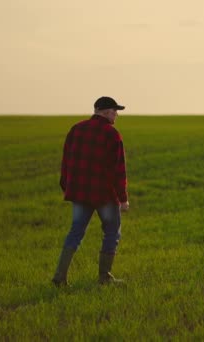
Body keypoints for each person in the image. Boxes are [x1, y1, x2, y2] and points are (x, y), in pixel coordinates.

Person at [52, 96, 130, 286]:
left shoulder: (76, 129)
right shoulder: (112, 135)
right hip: (104, 194)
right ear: (105, 112)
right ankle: (104, 277)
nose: (117, 115)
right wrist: (123, 199)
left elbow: (66, 162)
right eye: (114, 111)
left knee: (75, 232)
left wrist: (67, 186)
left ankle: (59, 278)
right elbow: (118, 170)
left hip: (80, 193)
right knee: (112, 232)